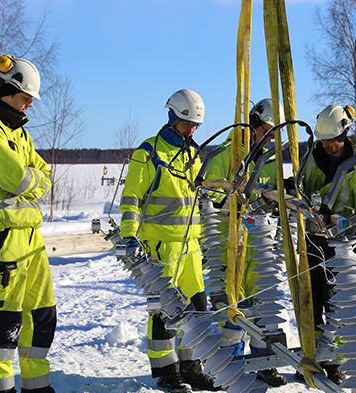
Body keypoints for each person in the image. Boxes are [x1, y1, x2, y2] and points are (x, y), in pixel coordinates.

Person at [0, 55, 56, 393]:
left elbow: (45, 174)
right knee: (4, 323)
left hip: (32, 237)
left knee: (41, 316)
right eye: (26, 97)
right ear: (8, 91)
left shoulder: (17, 134)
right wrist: (31, 181)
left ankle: (37, 385)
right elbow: (20, 179)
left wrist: (32, 179)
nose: (30, 104)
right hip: (4, 238)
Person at [120, 89, 217, 393]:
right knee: (165, 312)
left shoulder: (192, 154)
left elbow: (199, 196)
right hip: (160, 246)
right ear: (172, 118)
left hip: (190, 247)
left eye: (195, 127)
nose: (191, 130)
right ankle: (166, 371)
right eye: (187, 124)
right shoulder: (148, 153)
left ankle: (192, 367)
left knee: (197, 308)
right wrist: (130, 237)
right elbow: (131, 199)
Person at [203, 98, 287, 387]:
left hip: (260, 242)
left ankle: (265, 361)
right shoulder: (227, 155)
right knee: (234, 302)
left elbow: (274, 194)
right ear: (254, 124)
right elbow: (207, 198)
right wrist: (231, 198)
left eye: (275, 133)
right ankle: (231, 364)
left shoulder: (272, 159)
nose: (271, 137)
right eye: (268, 130)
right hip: (231, 240)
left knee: (263, 301)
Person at [297, 104, 356, 384]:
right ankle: (311, 356)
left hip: (343, 247)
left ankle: (334, 363)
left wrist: (338, 218)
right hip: (312, 240)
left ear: (344, 135)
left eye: (333, 139)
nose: (329, 145)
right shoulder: (311, 158)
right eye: (324, 140)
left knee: (338, 304)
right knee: (311, 300)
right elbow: (301, 189)